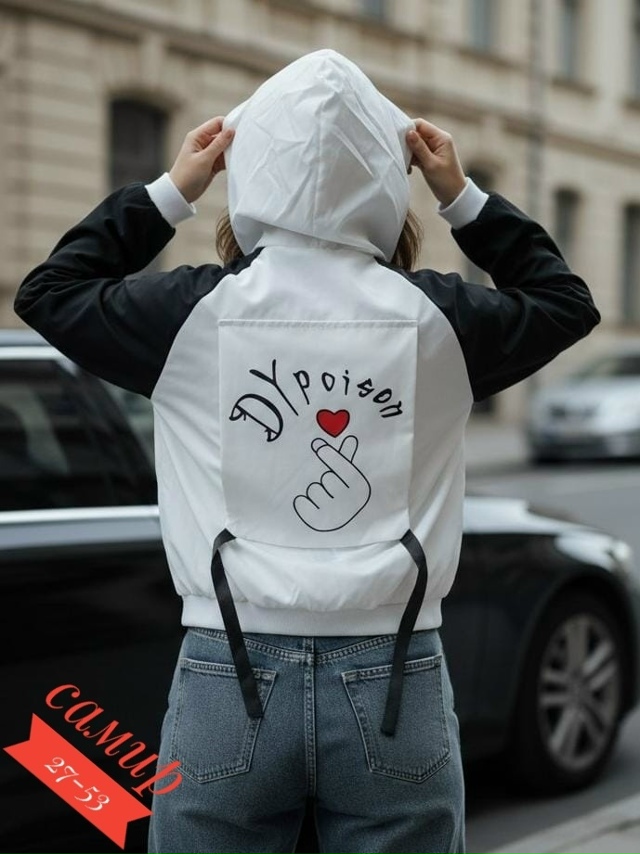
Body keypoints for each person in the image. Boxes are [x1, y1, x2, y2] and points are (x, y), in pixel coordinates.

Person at [13, 49, 600, 854]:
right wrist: (460, 196)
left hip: (229, 664)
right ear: (386, 180)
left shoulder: (192, 314)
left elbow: (49, 292)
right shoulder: (439, 320)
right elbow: (564, 302)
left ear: (252, 171)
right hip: (395, 670)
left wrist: (172, 189)